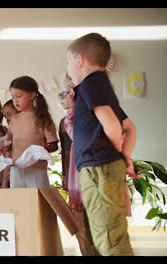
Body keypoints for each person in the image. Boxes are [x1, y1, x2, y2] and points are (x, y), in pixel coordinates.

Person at [66, 32, 139, 256]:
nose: (68, 68)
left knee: (107, 234)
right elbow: (130, 128)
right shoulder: (101, 88)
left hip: (99, 167)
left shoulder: (90, 85)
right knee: (109, 231)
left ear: (79, 60)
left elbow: (116, 128)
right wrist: (125, 157)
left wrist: (115, 150)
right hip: (103, 166)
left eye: (68, 62)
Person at [0, 76, 59, 188]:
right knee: (18, 201)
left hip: (37, 168)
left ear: (32, 95)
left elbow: (53, 145)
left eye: (19, 96)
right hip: (16, 169)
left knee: (37, 201)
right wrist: (4, 149)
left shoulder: (42, 117)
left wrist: (39, 150)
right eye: (13, 97)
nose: (15, 101)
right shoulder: (14, 120)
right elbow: (12, 142)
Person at [58, 76, 96, 256]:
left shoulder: (94, 114)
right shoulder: (64, 122)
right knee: (78, 221)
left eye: (68, 91)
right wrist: (65, 175)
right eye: (64, 91)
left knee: (96, 219)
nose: (64, 96)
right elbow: (65, 151)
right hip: (74, 176)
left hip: (93, 174)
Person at [0, 99, 19, 188]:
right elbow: (7, 156)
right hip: (13, 174)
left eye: (9, 115)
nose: (7, 119)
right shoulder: (9, 134)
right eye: (5, 117)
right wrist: (4, 180)